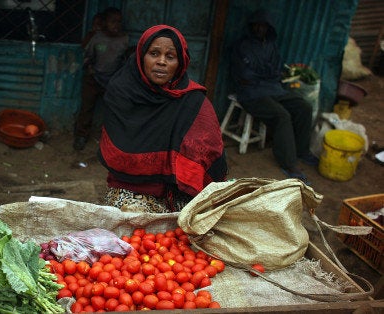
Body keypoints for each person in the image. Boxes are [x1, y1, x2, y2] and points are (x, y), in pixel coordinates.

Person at [98, 25, 228, 213]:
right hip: (131, 188)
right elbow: (120, 155)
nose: (161, 62)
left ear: (181, 62)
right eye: (154, 53)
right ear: (141, 56)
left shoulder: (193, 100)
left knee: (199, 223)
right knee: (132, 219)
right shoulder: (121, 92)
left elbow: (209, 153)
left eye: (170, 56)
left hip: (178, 190)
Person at [230, 9, 318, 182]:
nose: (259, 29)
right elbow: (245, 76)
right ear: (251, 27)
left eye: (262, 26)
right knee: (281, 116)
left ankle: (302, 151)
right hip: (251, 94)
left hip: (273, 89)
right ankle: (289, 164)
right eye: (256, 25)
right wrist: (266, 75)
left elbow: (277, 72)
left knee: (303, 107)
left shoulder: (271, 46)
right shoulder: (242, 46)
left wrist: (266, 75)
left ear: (268, 28)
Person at [73, 7, 129, 151]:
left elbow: (123, 60)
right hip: (93, 79)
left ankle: (111, 139)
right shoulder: (97, 38)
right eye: (113, 21)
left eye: (119, 22)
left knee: (113, 110)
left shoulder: (124, 39)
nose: (116, 25)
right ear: (104, 23)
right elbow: (88, 56)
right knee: (87, 108)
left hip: (112, 81)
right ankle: (81, 136)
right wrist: (91, 70)